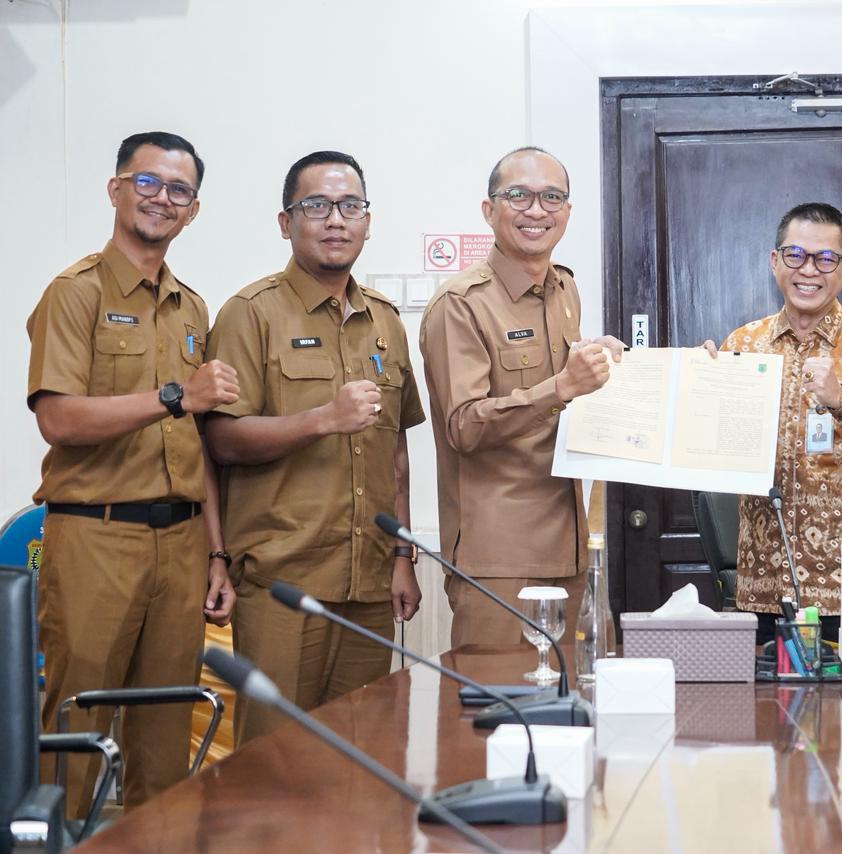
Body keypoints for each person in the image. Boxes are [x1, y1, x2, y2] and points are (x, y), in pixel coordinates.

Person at [26, 131, 239, 814]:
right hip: (96, 537)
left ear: (193, 210)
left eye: (179, 190)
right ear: (116, 189)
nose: (161, 198)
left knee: (165, 734)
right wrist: (174, 395)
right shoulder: (75, 292)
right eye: (147, 182)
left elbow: (197, 442)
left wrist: (216, 553)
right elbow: (58, 419)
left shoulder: (191, 307)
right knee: (76, 725)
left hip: (180, 544)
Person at [206, 151, 426, 744]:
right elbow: (222, 439)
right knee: (275, 755)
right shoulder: (251, 313)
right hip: (284, 580)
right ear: (286, 222)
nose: (336, 220)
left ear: (367, 222)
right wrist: (323, 419)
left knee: (361, 750)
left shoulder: (385, 321)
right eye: (317, 206)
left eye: (350, 206)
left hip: (369, 581)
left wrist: (402, 556)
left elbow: (396, 453)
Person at [420, 146, 622, 646]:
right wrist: (561, 386)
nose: (537, 210)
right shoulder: (460, 304)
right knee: (497, 693)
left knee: (569, 690)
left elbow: (564, 396)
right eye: (519, 196)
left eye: (552, 197)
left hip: (569, 545)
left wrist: (606, 365)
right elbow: (464, 426)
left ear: (567, 211)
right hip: (499, 556)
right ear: (489, 210)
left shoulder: (564, 289)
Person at [705, 202, 842, 643]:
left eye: (825, 259)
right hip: (764, 581)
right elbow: (712, 446)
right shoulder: (744, 344)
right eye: (795, 255)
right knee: (764, 688)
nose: (808, 270)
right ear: (774, 260)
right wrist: (699, 385)